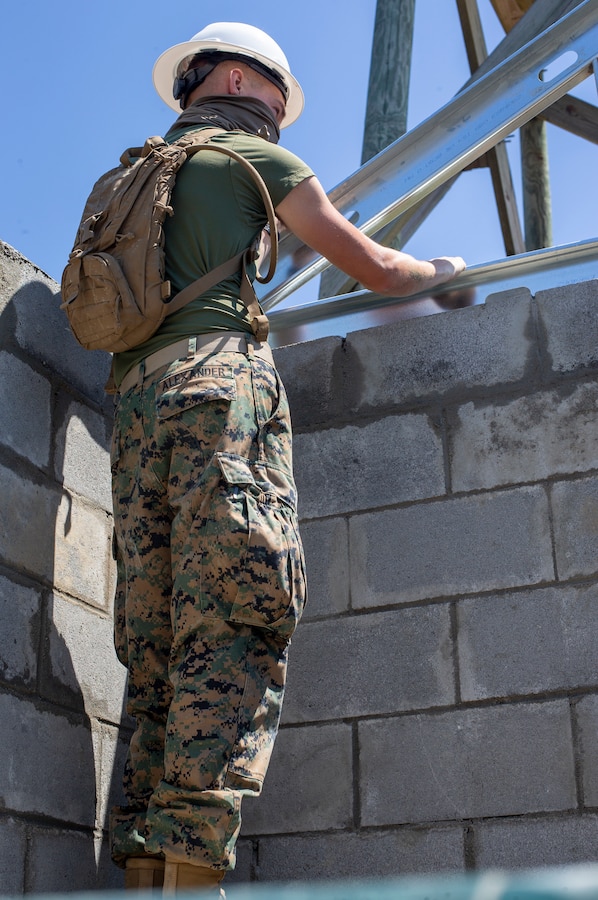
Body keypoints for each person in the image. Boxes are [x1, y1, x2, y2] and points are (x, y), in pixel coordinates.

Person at [109, 21, 466, 896]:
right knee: (235, 621)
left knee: (154, 644)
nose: (282, 112)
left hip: (134, 414)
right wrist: (442, 268)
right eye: (278, 93)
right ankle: (192, 877)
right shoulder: (251, 159)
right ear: (236, 77)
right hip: (216, 392)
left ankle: (144, 867)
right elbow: (374, 265)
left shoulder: (132, 173)